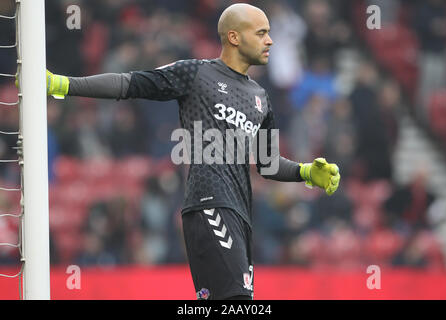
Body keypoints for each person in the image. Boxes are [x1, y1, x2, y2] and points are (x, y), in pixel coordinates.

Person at [41, 3, 340, 300]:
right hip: (209, 204)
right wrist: (63, 84)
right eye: (261, 33)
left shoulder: (260, 97)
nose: (270, 40)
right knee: (238, 302)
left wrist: (306, 172)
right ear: (234, 37)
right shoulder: (197, 74)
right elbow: (129, 83)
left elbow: (268, 164)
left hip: (240, 216)